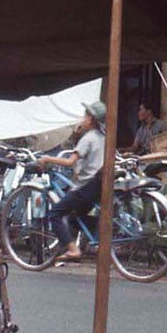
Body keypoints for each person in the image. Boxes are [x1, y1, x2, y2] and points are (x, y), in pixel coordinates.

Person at [37, 100, 106, 261]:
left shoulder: (88, 138)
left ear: (90, 119)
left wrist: (47, 158)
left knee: (55, 213)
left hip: (86, 185)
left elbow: (70, 162)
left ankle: (73, 249)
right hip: (98, 185)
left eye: (85, 116)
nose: (82, 119)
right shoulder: (102, 136)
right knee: (76, 214)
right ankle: (79, 243)